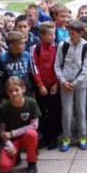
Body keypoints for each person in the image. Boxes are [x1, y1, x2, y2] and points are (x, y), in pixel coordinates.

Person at [55, 20, 87, 151]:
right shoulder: (63, 45)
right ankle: (66, 137)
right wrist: (63, 81)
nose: (70, 36)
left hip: (80, 84)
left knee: (81, 110)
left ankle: (83, 136)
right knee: (66, 111)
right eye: (69, 33)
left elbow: (86, 68)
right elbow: (57, 65)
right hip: (65, 83)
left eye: (73, 33)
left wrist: (75, 83)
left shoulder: (86, 47)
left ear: (81, 33)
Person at [0, 77, 40, 173]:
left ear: (23, 89)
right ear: (7, 92)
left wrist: (12, 133)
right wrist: (9, 146)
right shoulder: (3, 107)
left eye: (17, 90)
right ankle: (16, 156)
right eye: (11, 91)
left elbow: (34, 125)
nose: (14, 93)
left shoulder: (31, 103)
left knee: (32, 134)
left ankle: (32, 162)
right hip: (12, 141)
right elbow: (2, 132)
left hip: (26, 137)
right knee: (4, 167)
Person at [30, 22, 60, 150]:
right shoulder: (35, 49)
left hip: (54, 85)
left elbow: (61, 66)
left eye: (54, 34)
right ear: (41, 35)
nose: (52, 37)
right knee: (41, 111)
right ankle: (45, 135)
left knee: (54, 111)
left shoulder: (58, 48)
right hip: (41, 87)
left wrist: (57, 84)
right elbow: (34, 68)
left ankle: (53, 136)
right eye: (49, 34)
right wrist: (40, 85)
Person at [0, 31, 33, 104]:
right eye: (21, 43)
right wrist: (1, 96)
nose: (24, 45)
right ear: (12, 47)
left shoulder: (27, 55)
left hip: (26, 93)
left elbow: (30, 75)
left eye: (24, 43)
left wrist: (32, 90)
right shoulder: (2, 58)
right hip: (10, 95)